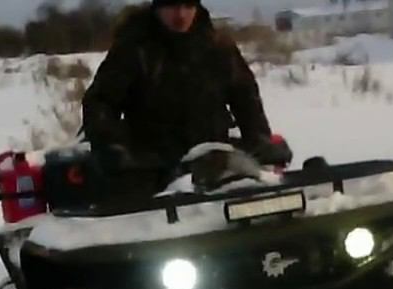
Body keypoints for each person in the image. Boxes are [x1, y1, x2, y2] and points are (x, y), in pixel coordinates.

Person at [81, 0, 290, 192]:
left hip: (214, 158)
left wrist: (258, 140)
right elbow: (100, 101)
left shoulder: (217, 46)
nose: (180, 15)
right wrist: (112, 146)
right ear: (158, 8)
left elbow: (246, 98)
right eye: (172, 6)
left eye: (187, 6)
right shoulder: (135, 48)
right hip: (153, 164)